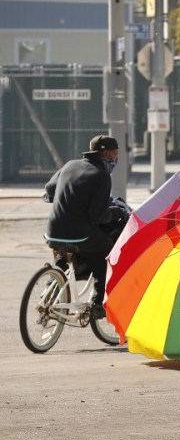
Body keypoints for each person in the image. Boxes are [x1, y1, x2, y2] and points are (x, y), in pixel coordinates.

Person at [44, 135, 123, 319]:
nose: (115, 159)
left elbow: (49, 189)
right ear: (104, 153)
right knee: (106, 254)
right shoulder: (102, 176)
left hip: (52, 231)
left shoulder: (70, 165)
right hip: (78, 234)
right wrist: (116, 214)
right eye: (114, 154)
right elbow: (99, 215)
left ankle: (51, 288)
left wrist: (64, 199)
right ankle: (97, 303)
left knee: (64, 258)